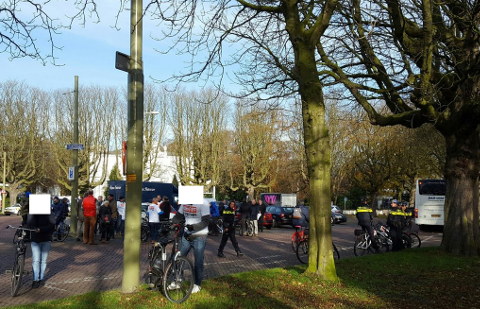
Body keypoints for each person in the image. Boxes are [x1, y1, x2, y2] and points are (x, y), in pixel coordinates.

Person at [171, 200, 210, 294]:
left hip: (199, 235)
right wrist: (172, 222)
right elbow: (179, 216)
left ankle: (197, 284)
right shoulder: (184, 202)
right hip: (186, 235)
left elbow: (205, 221)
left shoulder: (203, 203)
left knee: (198, 262)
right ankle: (177, 281)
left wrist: (193, 227)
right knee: (178, 258)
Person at [27, 209, 55, 288]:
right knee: (36, 260)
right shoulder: (33, 212)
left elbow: (52, 226)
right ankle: (35, 279)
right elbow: (28, 224)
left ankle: (41, 278)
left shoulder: (49, 213)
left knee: (43, 261)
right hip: (35, 240)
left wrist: (41, 229)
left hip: (46, 239)